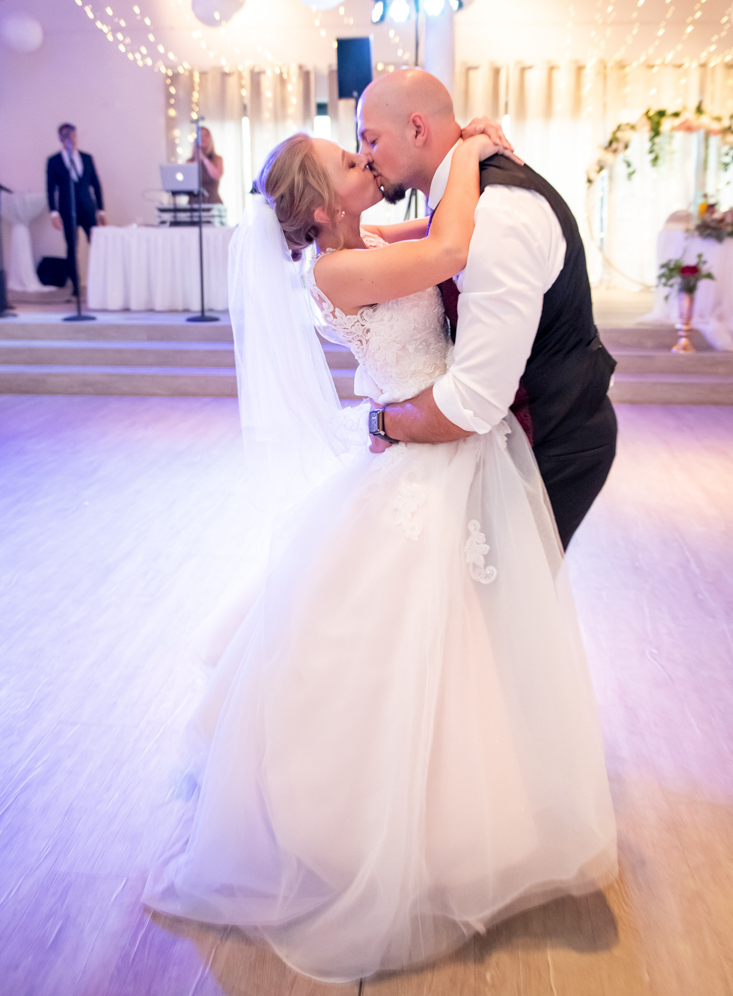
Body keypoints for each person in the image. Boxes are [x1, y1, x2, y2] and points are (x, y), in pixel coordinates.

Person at [144, 125, 617, 983]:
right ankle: (374, 821)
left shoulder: (364, 240)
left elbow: (429, 228)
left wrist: (456, 154)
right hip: (420, 446)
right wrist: (466, 154)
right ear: (324, 207)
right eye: (347, 160)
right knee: (406, 634)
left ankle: (458, 800)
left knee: (457, 632)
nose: (364, 161)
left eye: (363, 147)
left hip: (445, 446)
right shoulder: (335, 271)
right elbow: (449, 248)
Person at [358, 69, 618, 551]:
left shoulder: (498, 214)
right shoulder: (463, 199)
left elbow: (474, 399)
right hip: (503, 434)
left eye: (370, 139)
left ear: (417, 129)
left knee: (497, 593)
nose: (363, 156)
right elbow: (425, 237)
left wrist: (381, 423)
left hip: (555, 440)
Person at [47, 123, 106, 298]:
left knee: (96, 244)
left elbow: (96, 184)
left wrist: (101, 210)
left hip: (88, 208)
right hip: (67, 210)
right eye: (68, 137)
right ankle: (76, 286)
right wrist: (54, 213)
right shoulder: (54, 161)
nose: (72, 140)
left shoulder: (87, 158)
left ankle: (101, 282)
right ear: (61, 139)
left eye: (74, 136)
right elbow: (50, 188)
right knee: (72, 248)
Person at [187, 126, 224, 204]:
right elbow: (188, 180)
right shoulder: (190, 161)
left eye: (206, 135)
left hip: (213, 203)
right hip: (194, 203)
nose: (203, 138)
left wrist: (204, 159)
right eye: (200, 135)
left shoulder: (217, 159)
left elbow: (216, 175)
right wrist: (197, 158)